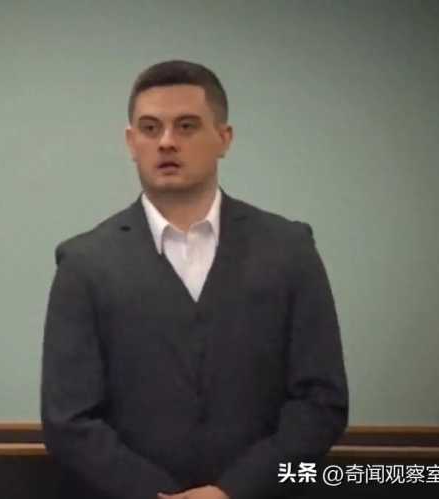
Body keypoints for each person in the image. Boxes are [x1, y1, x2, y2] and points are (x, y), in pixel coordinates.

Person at [41, 60, 348, 499]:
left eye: (186, 126)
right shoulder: (84, 263)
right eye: (150, 128)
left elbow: (321, 401)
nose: (166, 141)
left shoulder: (289, 249)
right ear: (131, 142)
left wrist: (233, 491)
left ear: (224, 138)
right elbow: (68, 420)